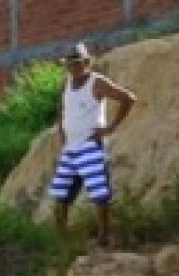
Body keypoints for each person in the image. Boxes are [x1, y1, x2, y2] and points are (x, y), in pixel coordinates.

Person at [49, 43, 136, 249]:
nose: (73, 68)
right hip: (70, 147)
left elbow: (128, 98)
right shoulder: (67, 83)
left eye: (77, 63)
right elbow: (62, 108)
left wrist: (110, 127)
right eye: (70, 64)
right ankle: (61, 240)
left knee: (99, 192)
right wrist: (62, 131)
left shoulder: (97, 82)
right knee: (61, 193)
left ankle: (103, 237)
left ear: (87, 62)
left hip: (90, 145)